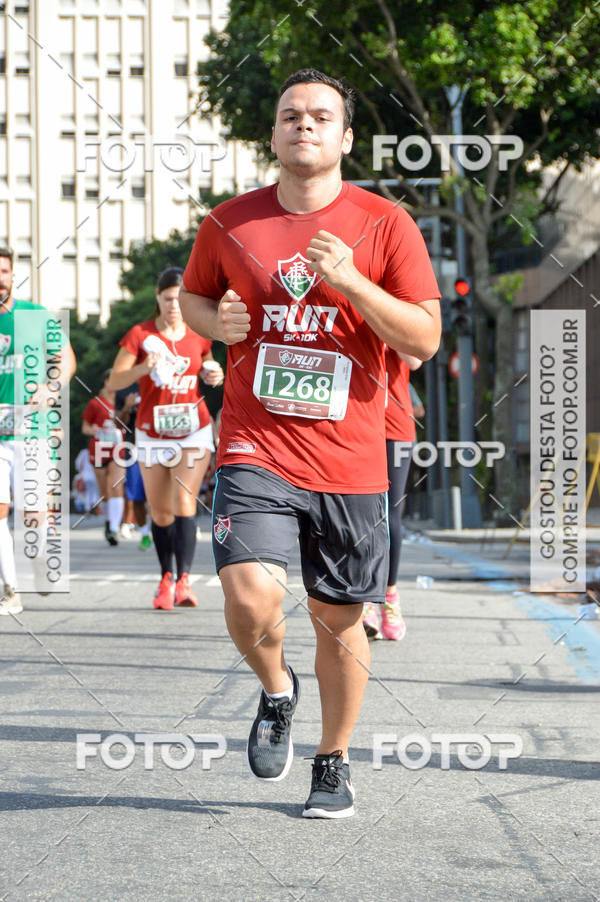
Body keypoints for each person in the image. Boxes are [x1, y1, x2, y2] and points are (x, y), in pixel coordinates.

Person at [179, 69, 440, 818]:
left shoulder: (385, 223)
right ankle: (275, 690)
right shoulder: (229, 223)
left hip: (352, 456)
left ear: (345, 137)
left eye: (321, 116)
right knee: (249, 594)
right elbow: (197, 295)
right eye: (290, 115)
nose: (304, 125)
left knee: (339, 619)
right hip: (255, 445)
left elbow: (424, 333)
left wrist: (354, 283)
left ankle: (333, 760)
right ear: (272, 134)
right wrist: (212, 324)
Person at [108, 267, 224, 609]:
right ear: (158, 298)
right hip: (152, 433)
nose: (174, 305)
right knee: (160, 512)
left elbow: (209, 366)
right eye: (168, 298)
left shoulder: (198, 332)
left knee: (184, 499)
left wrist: (214, 374)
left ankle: (185, 581)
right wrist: (144, 368)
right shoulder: (140, 334)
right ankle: (166, 579)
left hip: (193, 430)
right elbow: (115, 380)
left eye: (180, 299)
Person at [0, 247, 76, 614]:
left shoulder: (35, 316)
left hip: (32, 430)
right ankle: (9, 590)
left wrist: (51, 387)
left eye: (2, 271)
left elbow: (66, 358)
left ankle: (41, 552)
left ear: (13, 275)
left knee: (33, 515)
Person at [363, 349, 422, 641]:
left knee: (389, 514)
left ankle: (389, 595)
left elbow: (415, 359)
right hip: (353, 423)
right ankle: (363, 600)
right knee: (358, 513)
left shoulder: (398, 303)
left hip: (394, 426)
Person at [81, 369, 125, 546]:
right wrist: (93, 430)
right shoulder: (95, 403)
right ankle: (109, 521)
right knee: (104, 491)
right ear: (105, 382)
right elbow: (85, 427)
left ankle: (114, 528)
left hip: (118, 450)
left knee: (116, 485)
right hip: (99, 449)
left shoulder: (123, 403)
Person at [114, 386, 152, 550]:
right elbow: (117, 423)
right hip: (134, 448)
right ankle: (145, 534)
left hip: (160, 446)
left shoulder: (158, 380)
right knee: (136, 496)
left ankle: (166, 530)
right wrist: (128, 406)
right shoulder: (123, 389)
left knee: (162, 494)